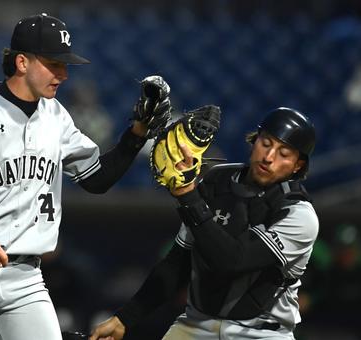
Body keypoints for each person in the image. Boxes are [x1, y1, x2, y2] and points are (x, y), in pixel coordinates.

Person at [0, 13, 171, 340]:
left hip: (25, 278)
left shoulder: (56, 116)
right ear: (21, 62)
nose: (63, 74)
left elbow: (96, 179)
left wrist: (137, 134)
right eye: (54, 64)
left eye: (65, 66)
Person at [90, 107, 319, 340]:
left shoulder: (299, 214)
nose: (269, 157)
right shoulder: (216, 181)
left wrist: (188, 196)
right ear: (255, 140)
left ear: (298, 165)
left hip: (261, 333)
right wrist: (125, 319)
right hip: (195, 324)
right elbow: (178, 263)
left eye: (284, 153)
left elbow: (233, 261)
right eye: (266, 143)